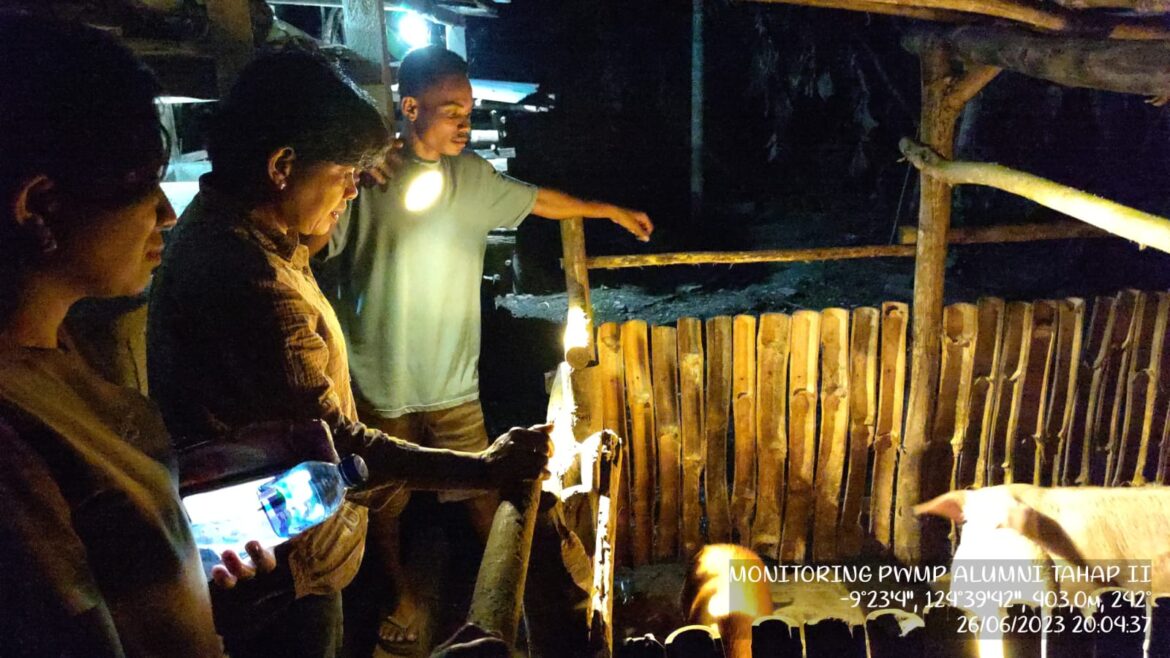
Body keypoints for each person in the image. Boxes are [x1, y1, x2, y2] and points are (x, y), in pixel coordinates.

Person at [146, 49, 553, 658]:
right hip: (284, 569)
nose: (352, 194)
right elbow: (339, 444)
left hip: (279, 551)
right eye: (343, 177)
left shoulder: (244, 236)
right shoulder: (253, 283)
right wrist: (483, 467)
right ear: (283, 165)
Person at [316, 45, 652, 653]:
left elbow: (538, 199)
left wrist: (609, 210)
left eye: (468, 111)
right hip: (377, 376)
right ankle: (403, 594)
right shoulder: (365, 184)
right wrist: (355, 168)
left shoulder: (470, 178)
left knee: (484, 491)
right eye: (451, 111)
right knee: (382, 503)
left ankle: (513, 598)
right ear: (410, 107)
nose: (464, 123)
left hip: (452, 378)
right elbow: (312, 242)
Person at [0, 13, 270, 656]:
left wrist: (174, 539)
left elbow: (100, 567)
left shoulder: (53, 349)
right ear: (41, 207)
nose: (168, 214)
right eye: (147, 185)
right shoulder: (12, 441)